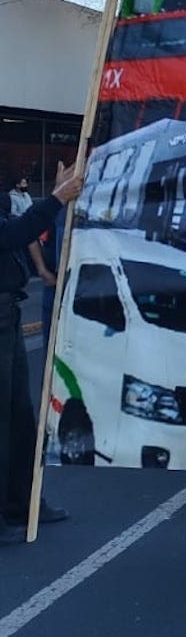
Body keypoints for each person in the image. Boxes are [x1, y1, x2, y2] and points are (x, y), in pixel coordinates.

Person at [0, 160, 84, 547]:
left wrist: (54, 196)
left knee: (19, 417)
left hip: (7, 310)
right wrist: (55, 199)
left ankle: (22, 505)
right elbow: (13, 234)